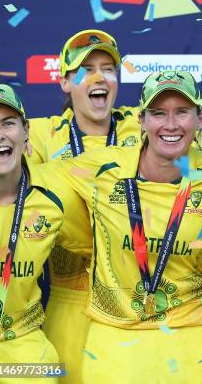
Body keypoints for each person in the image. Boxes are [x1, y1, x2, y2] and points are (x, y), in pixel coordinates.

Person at [44, 70, 202, 382]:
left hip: (190, 338)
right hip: (114, 342)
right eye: (157, 113)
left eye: (182, 112)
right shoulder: (102, 168)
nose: (170, 124)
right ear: (140, 120)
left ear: (201, 120)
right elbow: (26, 180)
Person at [25, 29, 141, 384]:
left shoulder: (142, 125)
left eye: (108, 68)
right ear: (63, 82)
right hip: (68, 304)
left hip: (130, 306)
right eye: (85, 69)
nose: (99, 77)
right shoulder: (41, 134)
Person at [0, 84, 91, 383]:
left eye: (8, 123)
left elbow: (103, 246)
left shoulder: (53, 201)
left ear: (26, 133)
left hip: (25, 351)